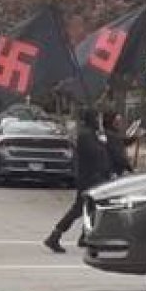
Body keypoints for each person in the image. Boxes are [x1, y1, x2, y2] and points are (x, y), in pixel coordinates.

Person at [45, 108, 110, 253]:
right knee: (79, 209)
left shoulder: (92, 134)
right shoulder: (86, 135)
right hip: (89, 178)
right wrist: (102, 143)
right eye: (96, 118)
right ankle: (55, 236)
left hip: (95, 177)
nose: (99, 122)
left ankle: (85, 236)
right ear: (91, 119)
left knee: (91, 209)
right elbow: (94, 153)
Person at [102, 111, 135, 177]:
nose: (120, 123)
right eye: (117, 121)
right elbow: (118, 154)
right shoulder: (111, 135)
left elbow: (123, 143)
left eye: (120, 120)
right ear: (112, 121)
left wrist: (133, 138)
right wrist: (130, 168)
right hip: (114, 170)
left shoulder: (114, 133)